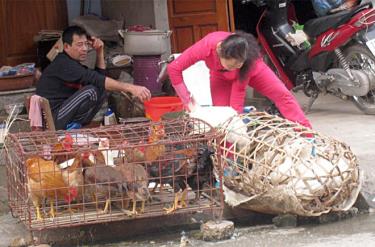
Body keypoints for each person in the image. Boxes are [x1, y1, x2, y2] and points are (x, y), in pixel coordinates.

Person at [167, 31, 312, 128]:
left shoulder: (247, 59)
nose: (235, 67)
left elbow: (237, 95)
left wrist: (237, 118)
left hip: (254, 70)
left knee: (282, 95)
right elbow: (173, 68)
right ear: (219, 52)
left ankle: (307, 135)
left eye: (238, 64)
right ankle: (227, 158)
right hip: (219, 76)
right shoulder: (206, 46)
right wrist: (187, 100)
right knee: (223, 119)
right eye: (231, 65)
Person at [36, 26, 151, 130]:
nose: (85, 48)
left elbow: (99, 79)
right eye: (79, 45)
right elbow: (96, 79)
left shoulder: (73, 63)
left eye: (86, 44)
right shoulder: (63, 63)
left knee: (100, 90)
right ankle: (74, 128)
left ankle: (77, 128)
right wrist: (131, 88)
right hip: (51, 121)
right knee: (91, 91)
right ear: (66, 47)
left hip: (62, 114)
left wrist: (100, 51)